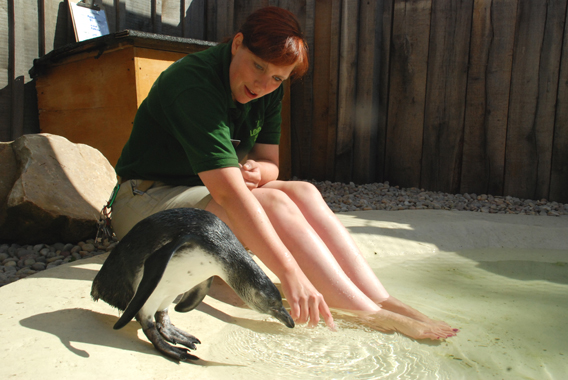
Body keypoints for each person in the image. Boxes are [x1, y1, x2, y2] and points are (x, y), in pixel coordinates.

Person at [110, 6, 458, 340]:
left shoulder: (269, 88)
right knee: (274, 202)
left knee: (303, 190)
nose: (263, 83)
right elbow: (229, 195)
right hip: (145, 204)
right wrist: (292, 275)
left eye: (277, 77)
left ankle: (380, 300)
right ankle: (369, 314)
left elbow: (270, 165)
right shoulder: (193, 83)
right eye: (257, 66)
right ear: (236, 44)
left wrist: (254, 170)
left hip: (196, 198)